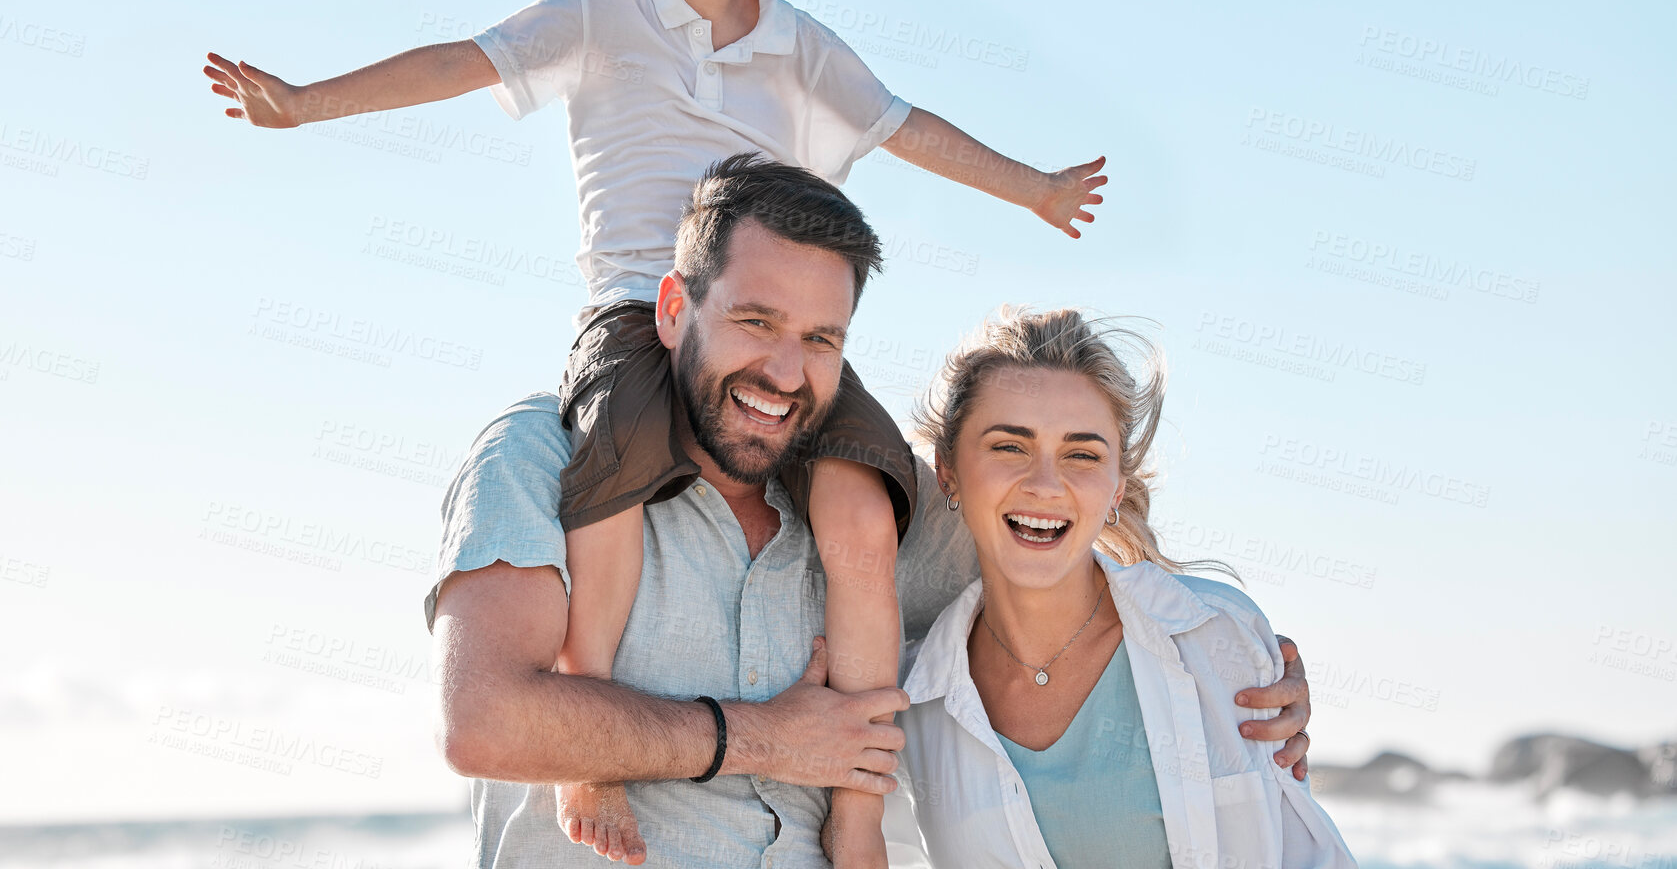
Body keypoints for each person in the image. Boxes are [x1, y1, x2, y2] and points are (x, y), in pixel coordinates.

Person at [200, 0, 1106, 866]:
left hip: (770, 321)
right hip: (639, 311)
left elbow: (908, 128)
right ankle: (591, 736)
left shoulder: (802, 45)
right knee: (617, 481)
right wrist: (305, 101)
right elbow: (461, 60)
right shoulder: (601, 11)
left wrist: (1037, 187)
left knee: (866, 514)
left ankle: (857, 811)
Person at [427, 155, 1316, 868]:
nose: (784, 371)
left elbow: (1057, 573)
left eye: (821, 340)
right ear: (673, 309)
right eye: (754, 321)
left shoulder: (874, 506)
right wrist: (766, 740)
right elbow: (483, 719)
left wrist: (1230, 661)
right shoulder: (542, 455)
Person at [898, 307, 1353, 868]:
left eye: (1082, 454)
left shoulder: (1216, 636)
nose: (1045, 484)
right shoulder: (915, 698)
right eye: (1009, 446)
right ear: (948, 472)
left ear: (1117, 488)